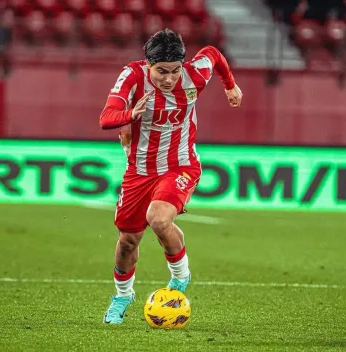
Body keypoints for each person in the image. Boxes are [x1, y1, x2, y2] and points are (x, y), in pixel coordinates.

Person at [99, 28, 243, 324]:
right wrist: (129, 116)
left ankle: (179, 279)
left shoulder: (194, 75)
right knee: (127, 242)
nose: (168, 78)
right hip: (139, 172)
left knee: (159, 218)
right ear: (148, 64)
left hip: (181, 166)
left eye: (174, 71)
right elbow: (106, 118)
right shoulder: (132, 76)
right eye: (161, 71)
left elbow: (213, 55)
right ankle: (123, 296)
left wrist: (230, 85)